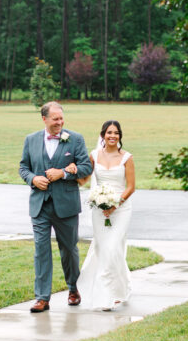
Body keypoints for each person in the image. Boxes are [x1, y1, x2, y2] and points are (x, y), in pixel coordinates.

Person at [18, 101, 93, 312]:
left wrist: (64, 173)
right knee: (41, 250)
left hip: (66, 205)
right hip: (39, 206)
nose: (60, 122)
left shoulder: (75, 138)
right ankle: (42, 298)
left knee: (69, 250)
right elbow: (23, 167)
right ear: (44, 119)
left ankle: (73, 288)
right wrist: (33, 179)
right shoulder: (31, 140)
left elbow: (86, 166)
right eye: (55, 119)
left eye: (61, 118)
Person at [77, 120, 136, 310]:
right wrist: (73, 171)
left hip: (122, 209)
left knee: (112, 248)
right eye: (109, 132)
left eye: (116, 133)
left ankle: (106, 297)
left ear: (120, 136)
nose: (113, 136)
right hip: (99, 210)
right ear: (103, 135)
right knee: (106, 250)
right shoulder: (94, 155)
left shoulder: (127, 158)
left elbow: (131, 187)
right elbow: (84, 179)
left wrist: (115, 204)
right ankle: (121, 288)